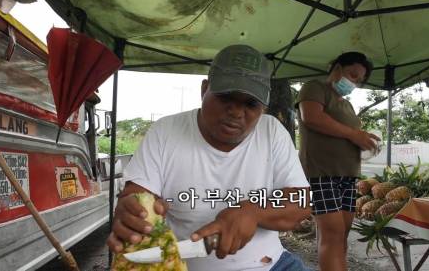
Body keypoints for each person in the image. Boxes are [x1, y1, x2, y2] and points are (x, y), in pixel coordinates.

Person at [107, 44, 312, 271]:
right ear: (205, 90)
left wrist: (254, 211)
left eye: (250, 103)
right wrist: (132, 215)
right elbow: (136, 197)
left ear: (263, 107)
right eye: (226, 97)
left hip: (272, 264)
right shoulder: (166, 131)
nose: (236, 112)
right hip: (181, 265)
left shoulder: (271, 131)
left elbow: (300, 202)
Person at [295, 52, 378, 271]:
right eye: (352, 75)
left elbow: (350, 134)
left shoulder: (348, 106)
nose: (354, 82)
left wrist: (364, 140)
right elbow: (311, 117)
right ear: (338, 68)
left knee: (341, 237)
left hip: (347, 175)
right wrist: (354, 134)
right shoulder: (315, 88)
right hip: (322, 174)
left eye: (359, 81)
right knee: (331, 236)